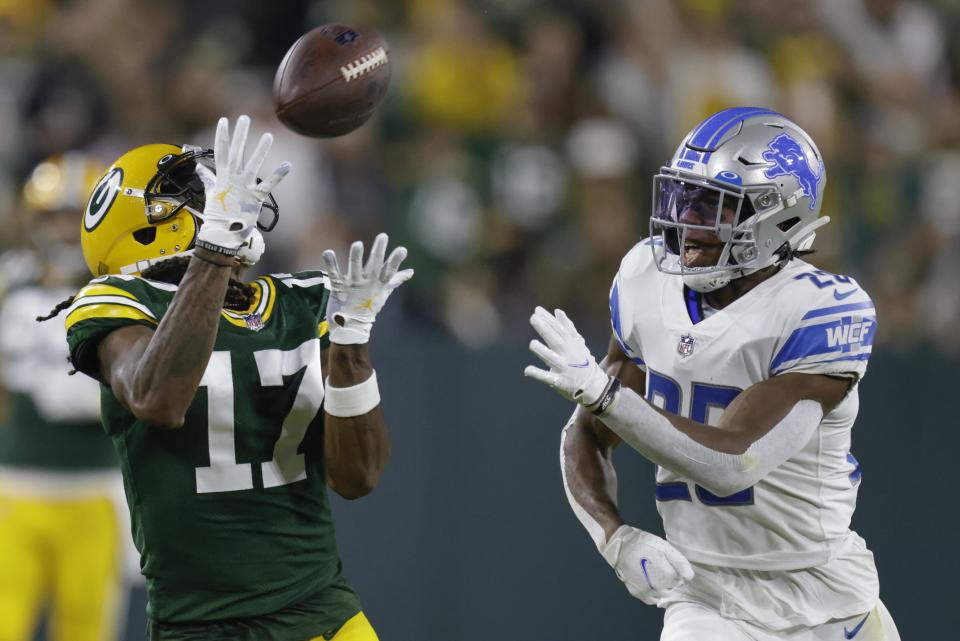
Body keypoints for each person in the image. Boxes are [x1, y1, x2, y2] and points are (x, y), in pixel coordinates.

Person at [524, 107, 901, 640]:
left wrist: (606, 395)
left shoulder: (821, 309)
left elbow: (734, 462)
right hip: (708, 599)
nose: (687, 223)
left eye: (713, 208)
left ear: (777, 217)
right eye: (685, 199)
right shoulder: (644, 276)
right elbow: (587, 432)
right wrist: (615, 539)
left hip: (829, 597)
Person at [44, 115, 411, 641]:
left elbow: (358, 479)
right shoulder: (117, 304)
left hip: (324, 614)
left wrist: (351, 347)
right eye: (197, 193)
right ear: (147, 224)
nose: (221, 199)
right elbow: (157, 397)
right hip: (200, 626)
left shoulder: (304, 300)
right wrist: (214, 250)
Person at [0, 153, 127, 641]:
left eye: (75, 216)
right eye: (52, 215)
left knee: (85, 626)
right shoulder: (11, 284)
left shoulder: (126, 291)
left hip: (93, 488)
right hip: (16, 482)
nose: (61, 230)